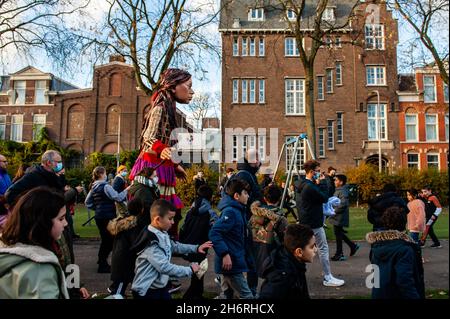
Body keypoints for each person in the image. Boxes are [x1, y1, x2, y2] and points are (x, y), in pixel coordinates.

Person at [129, 69, 194, 241]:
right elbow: (147, 137)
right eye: (188, 86)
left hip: (163, 167)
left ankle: (165, 243)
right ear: (173, 87)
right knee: (157, 211)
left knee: (170, 211)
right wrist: (162, 149)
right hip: (151, 167)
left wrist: (174, 165)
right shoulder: (159, 108)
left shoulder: (169, 109)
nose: (192, 91)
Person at [130, 199, 212, 299]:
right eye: (170, 218)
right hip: (146, 291)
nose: (173, 222)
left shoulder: (161, 232)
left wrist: (196, 248)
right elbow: (164, 267)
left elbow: (174, 246)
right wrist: (190, 270)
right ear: (158, 220)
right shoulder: (151, 242)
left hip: (160, 287)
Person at [0, 187, 69, 299]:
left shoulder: (6, 251)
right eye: (61, 219)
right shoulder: (40, 269)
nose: (65, 223)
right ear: (42, 223)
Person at [298, 160, 344, 287]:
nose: (319, 173)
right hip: (314, 222)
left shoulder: (303, 184)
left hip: (307, 221)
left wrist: (319, 183)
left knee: (303, 250)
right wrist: (323, 182)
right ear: (312, 172)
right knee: (322, 248)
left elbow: (317, 196)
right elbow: (324, 197)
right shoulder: (309, 186)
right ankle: (328, 276)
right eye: (318, 171)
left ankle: (298, 276)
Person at [366, 206, 425, 299]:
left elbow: (374, 276)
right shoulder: (404, 249)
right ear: (404, 224)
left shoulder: (376, 245)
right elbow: (404, 281)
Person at [209, 178, 254, 299]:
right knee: (247, 296)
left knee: (227, 295)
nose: (248, 196)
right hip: (231, 263)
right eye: (245, 193)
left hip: (234, 260)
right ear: (236, 196)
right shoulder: (231, 212)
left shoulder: (238, 210)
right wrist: (225, 254)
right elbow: (215, 233)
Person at [85, 166, 130, 273]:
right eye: (105, 173)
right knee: (109, 240)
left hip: (99, 216)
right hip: (108, 216)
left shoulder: (93, 187)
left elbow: (88, 202)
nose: (106, 175)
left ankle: (102, 261)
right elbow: (118, 197)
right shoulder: (106, 186)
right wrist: (127, 190)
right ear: (101, 174)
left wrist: (97, 208)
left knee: (106, 239)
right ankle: (102, 263)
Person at [179, 185, 218, 299]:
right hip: (201, 245)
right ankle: (193, 294)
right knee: (200, 271)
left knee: (197, 270)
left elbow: (185, 226)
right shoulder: (210, 212)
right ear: (210, 197)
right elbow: (215, 228)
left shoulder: (191, 209)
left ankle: (196, 293)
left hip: (189, 244)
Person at [259, 224, 317, 299]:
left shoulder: (296, 263)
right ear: (299, 252)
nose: (316, 249)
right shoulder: (283, 277)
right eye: (312, 247)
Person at [109, 198, 149, 297]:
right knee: (118, 292)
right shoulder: (134, 226)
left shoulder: (123, 224)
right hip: (125, 264)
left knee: (128, 287)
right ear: (142, 210)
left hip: (122, 262)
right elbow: (137, 244)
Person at [249, 184, 288, 278]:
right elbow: (286, 239)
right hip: (273, 255)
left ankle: (252, 291)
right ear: (279, 199)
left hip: (255, 252)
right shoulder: (280, 218)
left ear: (264, 198)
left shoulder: (254, 215)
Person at [328, 174, 359, 261]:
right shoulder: (339, 189)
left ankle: (339, 254)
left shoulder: (343, 191)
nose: (334, 182)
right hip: (337, 216)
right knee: (339, 233)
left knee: (338, 235)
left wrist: (334, 211)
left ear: (341, 182)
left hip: (339, 216)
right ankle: (353, 246)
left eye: (336, 180)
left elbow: (343, 204)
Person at [0, 154, 12, 228]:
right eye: (4, 161)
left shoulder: (5, 174)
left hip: (8, 206)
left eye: (7, 161)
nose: (6, 163)